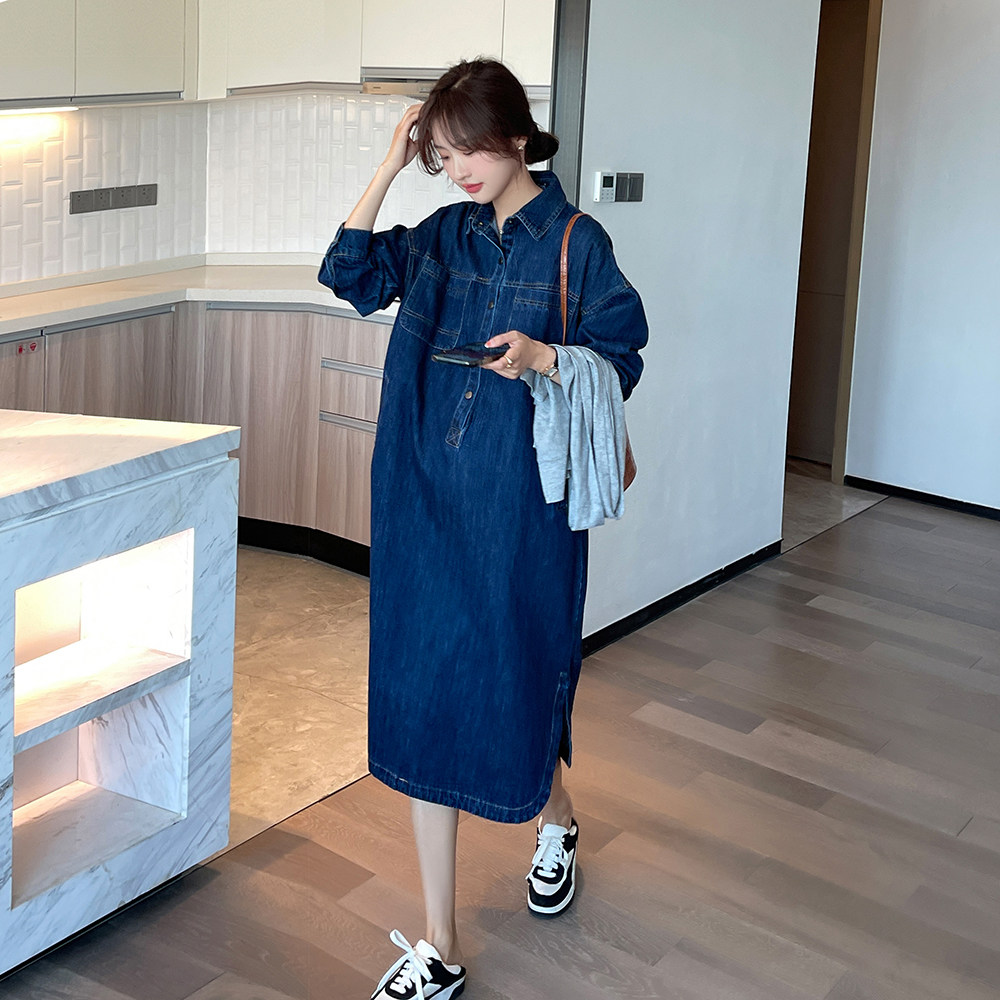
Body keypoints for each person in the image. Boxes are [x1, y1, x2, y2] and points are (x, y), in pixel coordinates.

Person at [319, 57, 647, 1000]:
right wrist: (390, 166)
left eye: (469, 148)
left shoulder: (576, 243)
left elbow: (622, 353)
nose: (457, 168)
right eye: (441, 152)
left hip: (519, 511)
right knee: (427, 694)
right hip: (421, 497)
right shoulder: (440, 236)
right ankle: (441, 943)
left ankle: (556, 818)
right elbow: (349, 274)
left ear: (517, 136)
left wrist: (544, 355)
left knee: (511, 678)